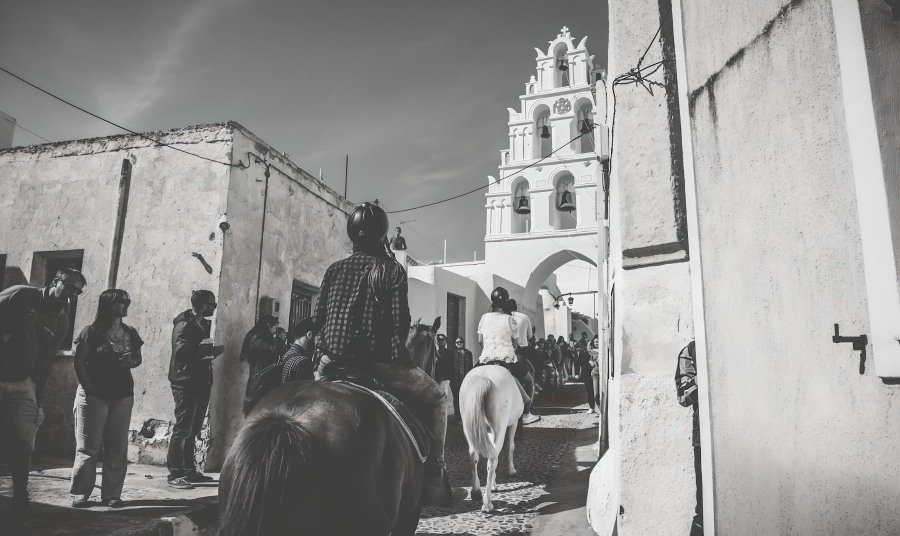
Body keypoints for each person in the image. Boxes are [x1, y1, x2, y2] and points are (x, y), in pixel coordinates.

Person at [313, 202, 452, 506]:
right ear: (383, 235)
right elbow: (401, 323)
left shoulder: (334, 269)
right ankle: (435, 473)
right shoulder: (391, 270)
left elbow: (319, 317)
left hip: (329, 363)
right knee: (437, 399)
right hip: (376, 363)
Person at [0, 267, 85, 510]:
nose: (72, 295)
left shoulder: (62, 320)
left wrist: (37, 399)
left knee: (24, 441)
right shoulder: (21, 294)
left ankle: (20, 495)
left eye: (78, 292)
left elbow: (45, 360)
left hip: (24, 382)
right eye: (69, 287)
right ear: (55, 281)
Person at [70, 289, 142, 508]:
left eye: (127, 301)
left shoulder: (130, 332)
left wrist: (131, 361)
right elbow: (79, 363)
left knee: (117, 448)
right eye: (121, 301)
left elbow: (138, 359)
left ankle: (112, 495)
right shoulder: (90, 332)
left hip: (122, 396)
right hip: (94, 396)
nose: (126, 305)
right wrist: (89, 391)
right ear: (108, 304)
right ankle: (81, 493)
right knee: (88, 448)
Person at [166, 290, 223, 490]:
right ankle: (175, 473)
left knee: (192, 430)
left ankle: (188, 470)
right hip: (185, 382)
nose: (214, 309)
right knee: (182, 428)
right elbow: (182, 355)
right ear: (204, 305)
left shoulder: (201, 324)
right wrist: (207, 351)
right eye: (213, 305)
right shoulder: (184, 326)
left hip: (200, 382)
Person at [476, 287, 532, 423]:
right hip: (507, 359)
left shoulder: (484, 317)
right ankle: (526, 413)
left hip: (485, 359)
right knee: (529, 380)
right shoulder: (510, 319)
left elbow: (479, 341)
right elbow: (515, 346)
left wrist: (490, 350)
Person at [676, 340, 703, 535]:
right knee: (704, 508)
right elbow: (682, 396)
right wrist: (702, 379)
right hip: (703, 437)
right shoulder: (691, 350)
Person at [240, 315, 286, 415]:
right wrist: (280, 340)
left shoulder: (261, 338)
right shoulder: (256, 340)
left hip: (264, 382)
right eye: (275, 328)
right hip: (259, 384)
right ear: (268, 325)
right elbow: (273, 350)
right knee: (256, 413)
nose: (275, 331)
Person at [506, 299, 538, 424]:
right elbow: (530, 336)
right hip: (520, 352)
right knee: (531, 378)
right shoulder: (524, 317)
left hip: (502, 352)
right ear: (517, 307)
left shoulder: (503, 318)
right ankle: (527, 412)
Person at [281, 316, 317, 383]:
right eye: (318, 337)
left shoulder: (288, 354)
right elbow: (308, 391)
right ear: (309, 335)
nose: (319, 342)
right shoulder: (302, 362)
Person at [448, 337, 474, 423]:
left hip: (465, 379)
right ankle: (457, 417)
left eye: (460, 342)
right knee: (456, 398)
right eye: (457, 342)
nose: (459, 344)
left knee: (465, 398)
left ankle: (466, 416)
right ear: (454, 344)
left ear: (463, 342)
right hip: (455, 380)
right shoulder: (452, 354)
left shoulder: (468, 353)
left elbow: (471, 366)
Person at [577, 343, 596, 414]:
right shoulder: (583, 354)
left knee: (596, 391)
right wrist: (576, 373)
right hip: (586, 375)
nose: (590, 347)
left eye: (592, 346)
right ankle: (591, 407)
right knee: (589, 391)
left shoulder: (596, 354)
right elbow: (577, 363)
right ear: (587, 347)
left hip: (595, 374)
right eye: (589, 346)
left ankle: (597, 407)